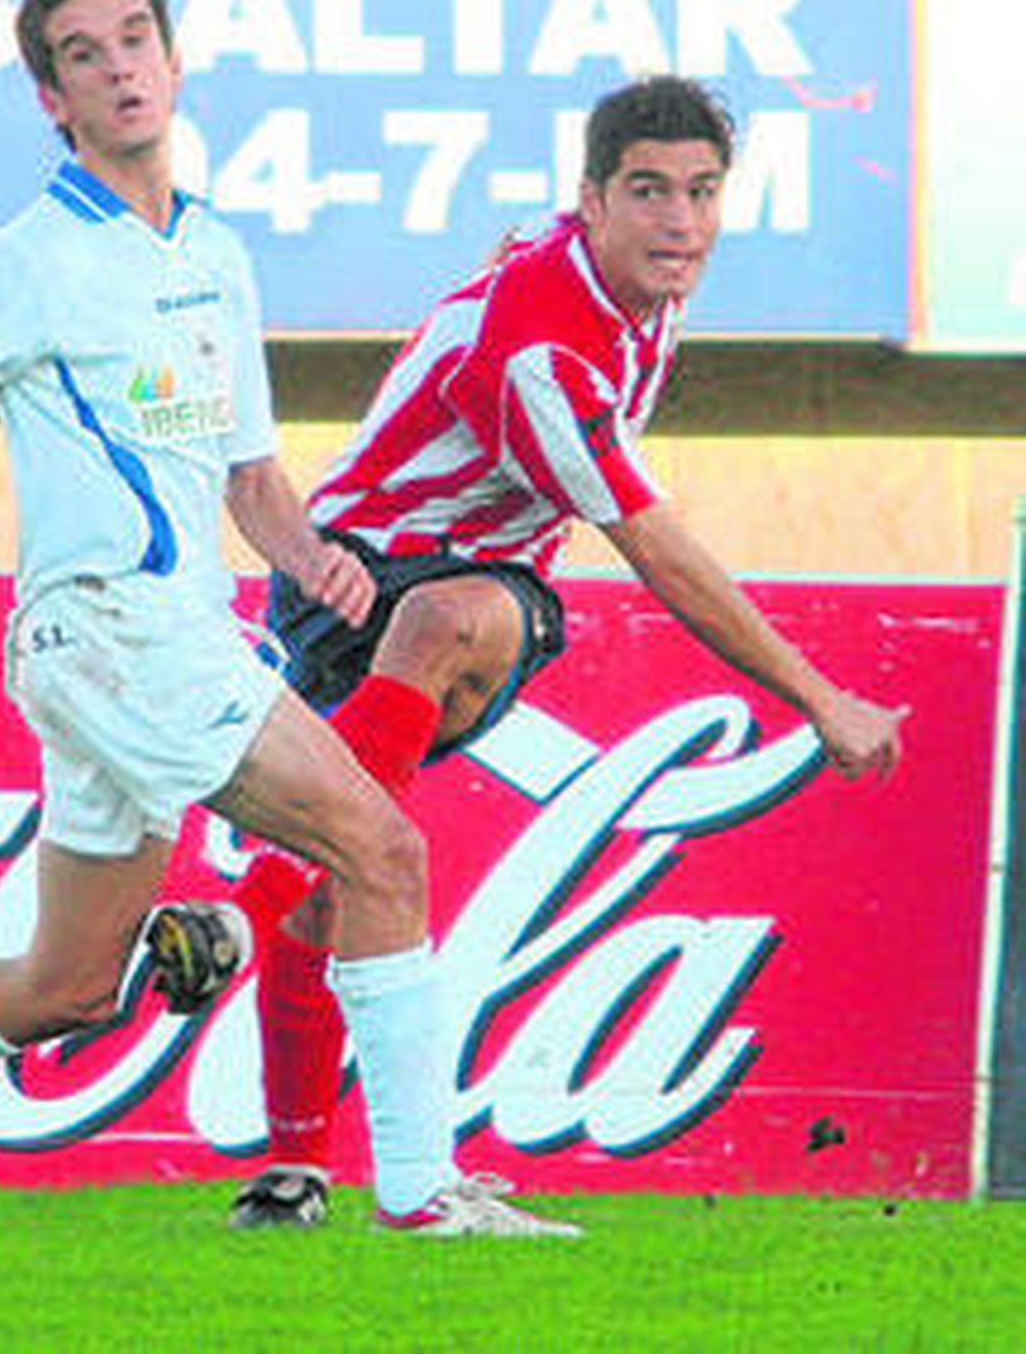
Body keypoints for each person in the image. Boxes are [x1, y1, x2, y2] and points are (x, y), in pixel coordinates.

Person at [0, 0, 580, 1241]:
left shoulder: (213, 252)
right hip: (113, 628)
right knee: (380, 847)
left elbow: (253, 482)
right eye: (84, 56)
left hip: (158, 636)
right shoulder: (29, 260)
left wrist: (322, 563)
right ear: (53, 99)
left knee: (66, 981)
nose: (118, 69)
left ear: (172, 60)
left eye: (133, 41)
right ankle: (423, 1194)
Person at [224, 74, 909, 1231]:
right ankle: (296, 1162)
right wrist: (819, 696)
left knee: (423, 667)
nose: (679, 220)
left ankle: (257, 924)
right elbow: (652, 546)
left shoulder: (621, 279)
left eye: (700, 192)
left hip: (441, 592)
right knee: (353, 859)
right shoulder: (544, 348)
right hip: (346, 584)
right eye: (648, 192)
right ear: (591, 200)